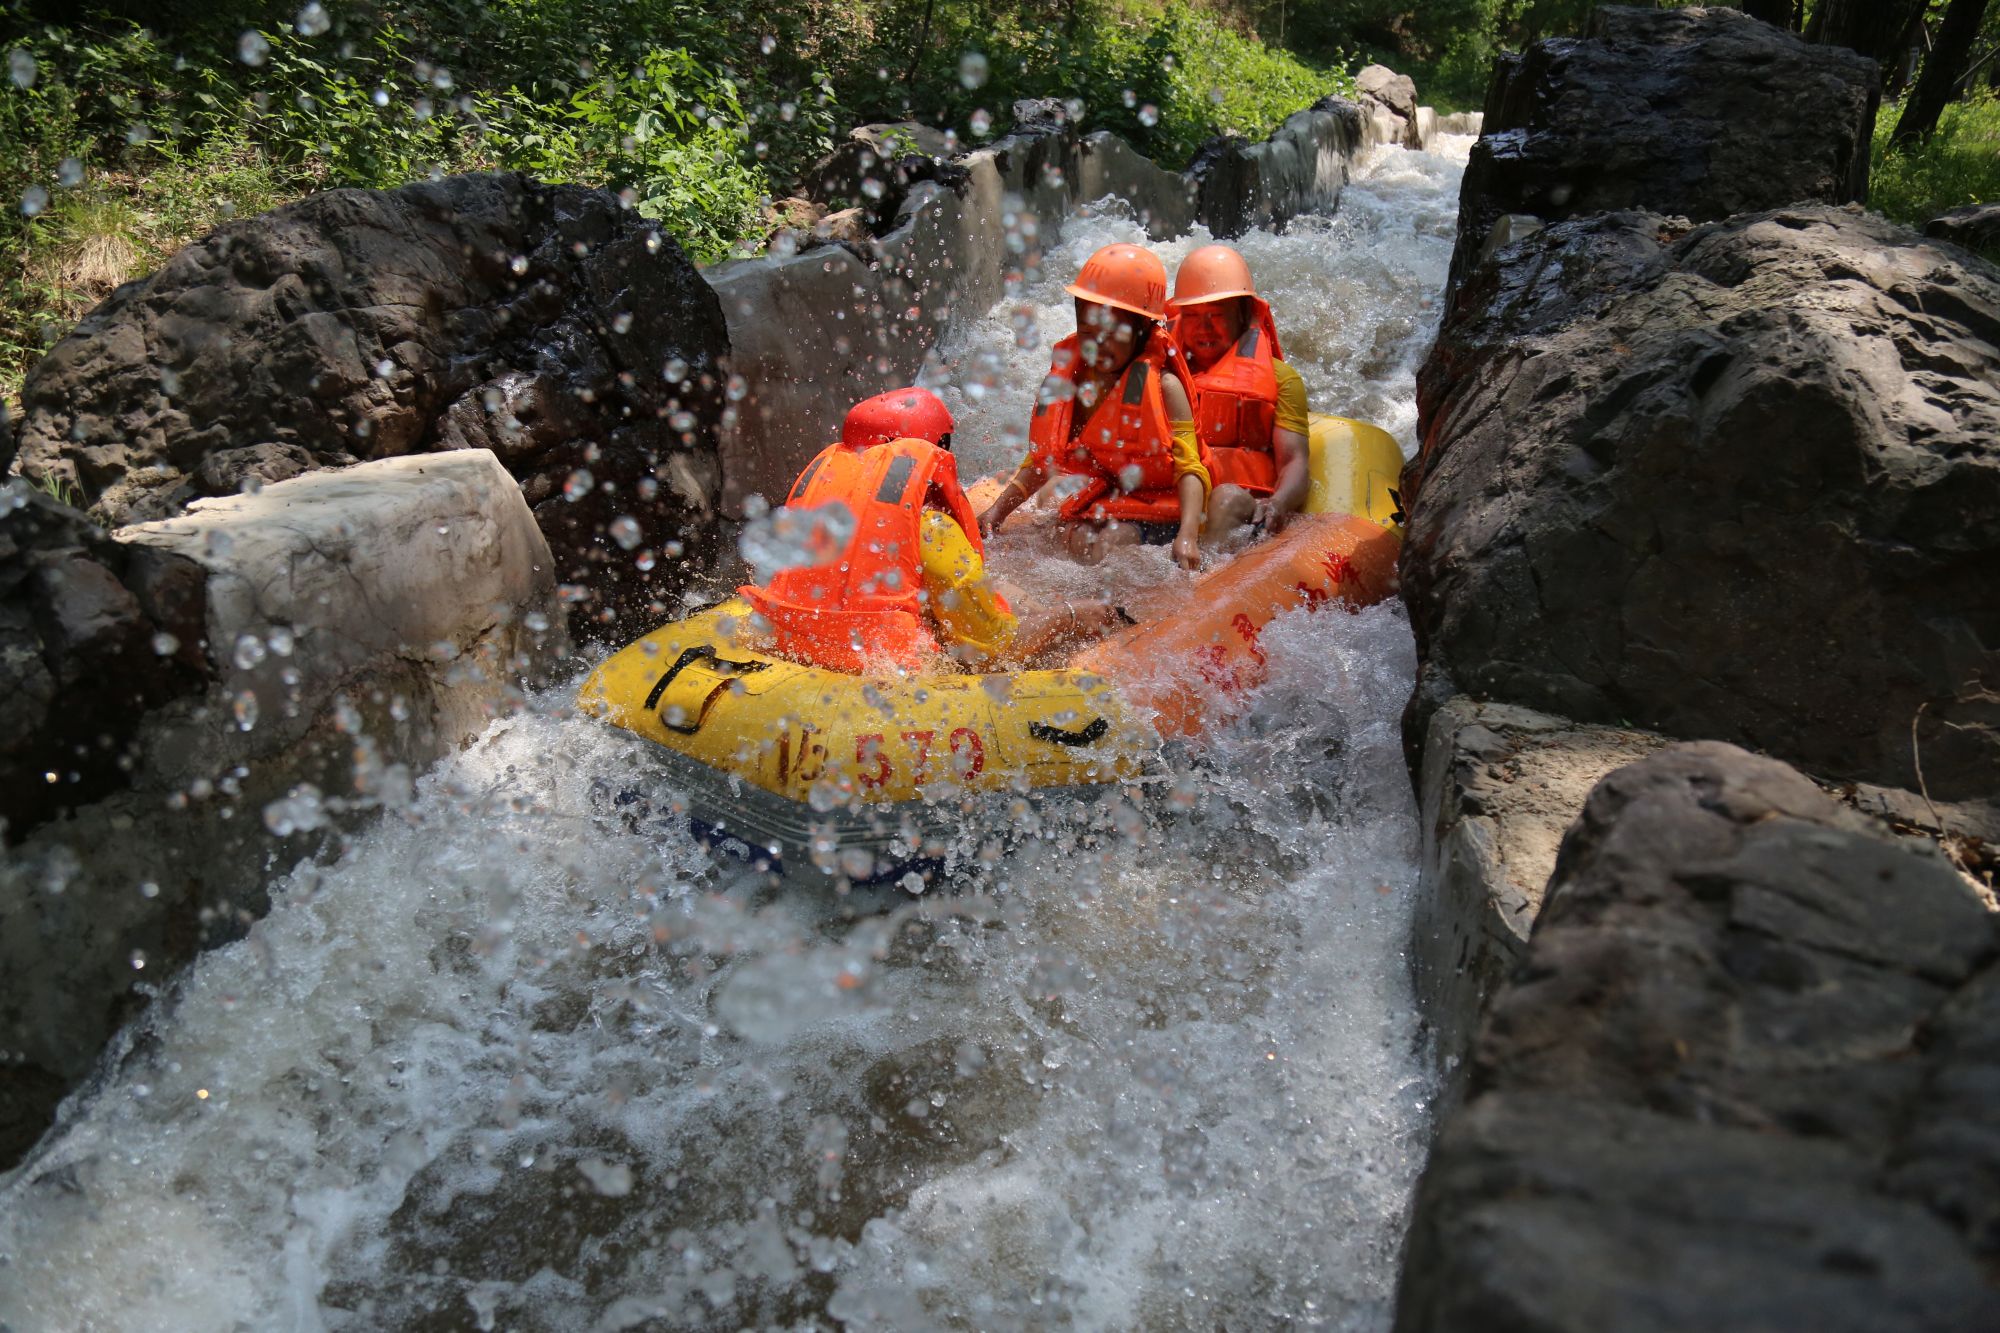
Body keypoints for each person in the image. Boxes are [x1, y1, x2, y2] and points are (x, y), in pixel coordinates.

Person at [740, 387, 1123, 673]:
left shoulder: (822, 514)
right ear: (935, 450)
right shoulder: (932, 530)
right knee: (1086, 618)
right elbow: (992, 648)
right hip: (887, 672)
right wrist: (1073, 615)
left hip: (803, 649)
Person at [976, 243, 1209, 571]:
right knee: (1066, 537)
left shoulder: (1165, 387)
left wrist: (1188, 535)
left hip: (1166, 506)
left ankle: (1123, 618)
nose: (1097, 345)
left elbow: (1190, 468)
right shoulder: (1074, 379)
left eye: (1113, 333)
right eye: (1088, 332)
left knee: (1112, 543)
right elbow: (1044, 457)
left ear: (1144, 330)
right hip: (1115, 498)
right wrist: (998, 512)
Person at [1167, 244, 1312, 536]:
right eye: (1193, 316)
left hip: (1240, 505)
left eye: (1216, 315)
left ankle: (1202, 579)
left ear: (1243, 315)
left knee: (1226, 498)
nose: (1203, 328)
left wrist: (1277, 504)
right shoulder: (1163, 375)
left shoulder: (1282, 379)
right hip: (1174, 502)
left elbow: (1295, 462)